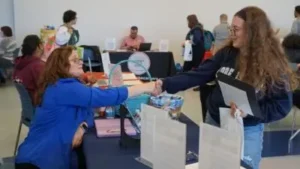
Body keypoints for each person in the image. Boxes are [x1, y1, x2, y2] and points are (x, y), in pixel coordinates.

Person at [155, 6, 297, 169]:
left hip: (247, 130)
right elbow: (198, 74)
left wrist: (251, 110)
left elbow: (281, 105)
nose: (231, 33)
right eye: (231, 28)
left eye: (236, 29)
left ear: (253, 32)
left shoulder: (272, 63)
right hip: (214, 122)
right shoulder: (227, 53)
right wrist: (165, 84)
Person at [15, 46, 156, 169]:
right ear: (62, 66)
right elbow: (105, 97)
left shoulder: (61, 85)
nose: (80, 62)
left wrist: (82, 127)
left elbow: (88, 108)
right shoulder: (64, 88)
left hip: (46, 156)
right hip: (38, 161)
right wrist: (145, 87)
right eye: (75, 60)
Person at [13, 35, 45, 102]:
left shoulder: (20, 62)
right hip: (37, 102)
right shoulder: (38, 66)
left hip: (29, 103)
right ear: (40, 46)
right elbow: (45, 87)